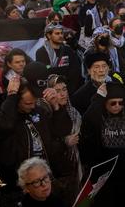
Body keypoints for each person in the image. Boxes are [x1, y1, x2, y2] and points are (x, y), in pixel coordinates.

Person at [0, 62, 72, 198]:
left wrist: (57, 108)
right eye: (28, 103)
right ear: (15, 100)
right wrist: (11, 95)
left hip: (43, 178)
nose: (33, 106)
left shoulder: (39, 110)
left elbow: (62, 130)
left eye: (35, 102)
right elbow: (4, 125)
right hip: (16, 186)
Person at [79, 80, 125, 206]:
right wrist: (99, 97)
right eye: (113, 103)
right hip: (105, 175)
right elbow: (88, 121)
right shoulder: (99, 117)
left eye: (121, 102)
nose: (117, 106)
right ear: (105, 103)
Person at [45, 75, 81, 206]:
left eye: (64, 89)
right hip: (55, 171)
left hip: (73, 168)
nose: (62, 94)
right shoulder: (45, 115)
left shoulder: (73, 112)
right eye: (56, 90)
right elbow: (47, 143)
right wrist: (64, 141)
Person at [35, 23, 81, 94]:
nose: (60, 36)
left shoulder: (68, 50)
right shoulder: (41, 52)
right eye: (57, 33)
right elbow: (44, 73)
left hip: (69, 90)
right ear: (49, 35)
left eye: (61, 33)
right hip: (51, 91)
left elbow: (75, 70)